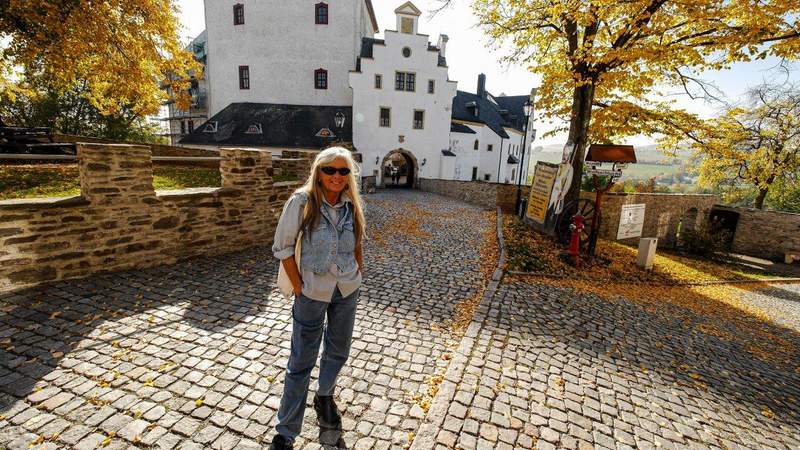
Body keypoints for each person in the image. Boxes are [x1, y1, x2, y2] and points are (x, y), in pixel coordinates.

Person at [269, 147, 366, 449]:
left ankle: (324, 395)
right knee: (300, 362)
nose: (337, 176)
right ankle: (286, 432)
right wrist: (299, 287)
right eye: (330, 170)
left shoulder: (351, 204)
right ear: (319, 172)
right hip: (312, 293)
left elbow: (357, 243)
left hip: (346, 291)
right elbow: (282, 248)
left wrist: (358, 272)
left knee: (338, 352)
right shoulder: (301, 202)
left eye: (343, 171)